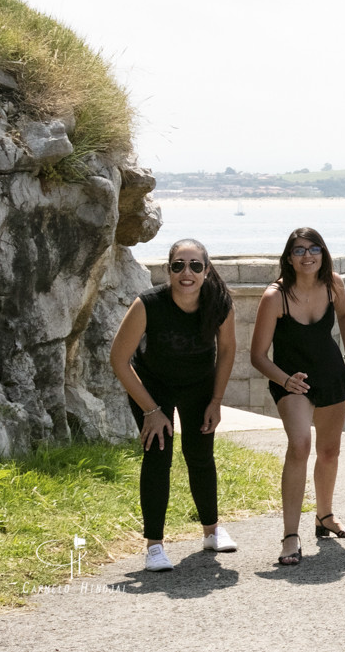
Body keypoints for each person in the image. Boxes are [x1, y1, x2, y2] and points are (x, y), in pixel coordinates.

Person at [108, 239, 237, 572]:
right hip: (154, 387)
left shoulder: (219, 303)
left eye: (195, 265)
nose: (187, 273)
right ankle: (154, 546)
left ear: (206, 271)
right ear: (168, 271)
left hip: (199, 385)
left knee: (200, 455)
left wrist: (216, 401)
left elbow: (226, 352)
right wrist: (151, 411)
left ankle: (211, 531)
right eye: (178, 265)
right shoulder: (148, 304)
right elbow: (119, 360)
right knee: (158, 455)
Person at [249, 227, 345, 566]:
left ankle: (325, 516)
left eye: (314, 248)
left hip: (331, 373)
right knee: (300, 445)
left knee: (330, 450)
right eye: (299, 250)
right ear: (289, 258)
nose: (308, 255)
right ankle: (290, 535)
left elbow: (344, 315)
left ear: (323, 253)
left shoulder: (333, 285)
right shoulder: (275, 296)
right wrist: (284, 380)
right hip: (291, 380)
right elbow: (258, 355)